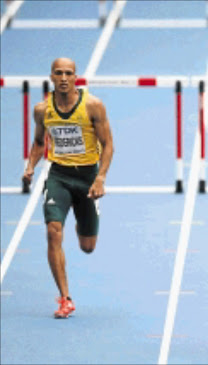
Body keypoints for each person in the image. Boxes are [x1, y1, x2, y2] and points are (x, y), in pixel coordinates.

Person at [22, 57, 114, 318]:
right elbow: (40, 142)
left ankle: (81, 215)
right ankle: (65, 298)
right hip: (58, 175)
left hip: (87, 178)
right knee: (53, 232)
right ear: (51, 76)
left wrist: (100, 178)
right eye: (58, 73)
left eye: (68, 73)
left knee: (87, 246)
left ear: (76, 77)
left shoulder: (93, 106)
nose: (63, 78)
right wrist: (30, 166)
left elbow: (108, 145)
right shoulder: (42, 110)